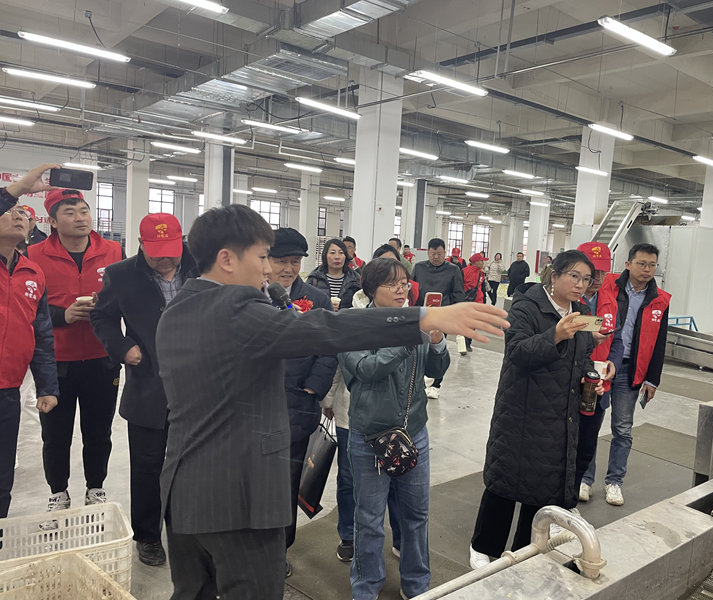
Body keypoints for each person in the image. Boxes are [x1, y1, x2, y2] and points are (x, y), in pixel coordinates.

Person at [154, 204, 508, 600]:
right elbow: (325, 327)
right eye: (262, 257)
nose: (269, 269)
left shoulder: (177, 309)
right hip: (240, 499)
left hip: (184, 493)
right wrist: (422, 318)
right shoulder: (235, 310)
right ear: (227, 259)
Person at [469, 250, 613, 569]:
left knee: (542, 484)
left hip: (560, 413)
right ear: (554, 275)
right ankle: (483, 546)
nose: (580, 284)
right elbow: (518, 351)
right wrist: (556, 335)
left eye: (586, 279)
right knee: (506, 481)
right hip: (522, 410)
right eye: (573, 276)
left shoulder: (581, 312)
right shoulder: (526, 306)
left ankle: (527, 549)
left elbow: (582, 357)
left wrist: (596, 375)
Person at [339, 258, 450, 600]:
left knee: (416, 514)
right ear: (371, 289)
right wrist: (407, 339)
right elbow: (367, 369)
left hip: (413, 431)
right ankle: (366, 587)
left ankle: (417, 585)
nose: (402, 290)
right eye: (392, 284)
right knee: (369, 519)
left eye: (404, 283)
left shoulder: (415, 319)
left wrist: (437, 341)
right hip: (370, 439)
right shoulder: (352, 324)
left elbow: (436, 369)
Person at [90, 213, 197, 566]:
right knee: (148, 466)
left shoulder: (201, 267)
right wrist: (122, 347)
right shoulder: (121, 275)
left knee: (194, 465)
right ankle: (148, 536)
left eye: (171, 252)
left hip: (199, 388)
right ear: (140, 244)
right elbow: (101, 316)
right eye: (156, 253)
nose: (165, 260)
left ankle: (188, 530)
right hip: (149, 386)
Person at [28, 188, 123, 513]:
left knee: (99, 432)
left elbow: (126, 299)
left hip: (102, 358)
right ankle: (58, 493)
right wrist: (63, 316)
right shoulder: (34, 255)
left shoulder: (113, 251)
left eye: (84, 210)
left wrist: (106, 306)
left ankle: (95, 488)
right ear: (53, 221)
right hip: (56, 362)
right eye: (69, 212)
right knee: (55, 435)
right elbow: (29, 307)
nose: (80, 217)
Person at [266, 227, 337, 573]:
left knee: (287, 482)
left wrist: (312, 388)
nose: (288, 269)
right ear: (266, 260)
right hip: (253, 407)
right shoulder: (249, 295)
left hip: (296, 405)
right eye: (281, 261)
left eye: (294, 262)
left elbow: (328, 347)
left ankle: (280, 549)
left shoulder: (316, 299)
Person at [580, 243, 671, 507]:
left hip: (631, 370)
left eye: (652, 265)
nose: (647, 269)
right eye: (641, 263)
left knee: (622, 428)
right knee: (591, 423)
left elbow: (660, 342)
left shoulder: (660, 300)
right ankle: (585, 479)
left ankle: (614, 482)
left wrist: (652, 379)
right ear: (628, 264)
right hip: (600, 364)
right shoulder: (609, 286)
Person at [0, 166, 59, 519]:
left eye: (22, 212)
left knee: (2, 472)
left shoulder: (32, 271)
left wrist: (47, 386)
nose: (19, 215)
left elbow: (42, 334)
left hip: (8, 389)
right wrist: (17, 189)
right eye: (9, 211)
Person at [574, 242, 613, 504]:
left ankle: (584, 480)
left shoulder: (612, 299)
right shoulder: (568, 300)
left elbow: (619, 336)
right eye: (592, 272)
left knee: (590, 435)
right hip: (571, 379)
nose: (598, 278)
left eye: (602, 272)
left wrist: (614, 363)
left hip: (599, 381)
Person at [411, 238, 466, 399]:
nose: (436, 257)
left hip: (443, 316)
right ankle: (419, 382)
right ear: (428, 253)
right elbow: (412, 291)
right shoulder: (419, 268)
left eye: (440, 254)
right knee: (419, 349)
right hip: (421, 315)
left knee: (438, 350)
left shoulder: (453, 270)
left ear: (445, 253)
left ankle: (436, 384)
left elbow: (458, 293)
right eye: (433, 253)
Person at [306, 238, 361, 310]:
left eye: (341, 253)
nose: (337, 257)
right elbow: (305, 304)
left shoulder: (355, 279)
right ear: (325, 255)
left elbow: (361, 306)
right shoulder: (314, 278)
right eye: (332, 253)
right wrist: (326, 307)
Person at [461, 253, 488, 353]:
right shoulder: (464, 271)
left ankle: (468, 341)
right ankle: (465, 341)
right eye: (481, 261)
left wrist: (484, 301)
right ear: (475, 262)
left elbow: (483, 288)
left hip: (478, 302)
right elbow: (459, 286)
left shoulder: (481, 273)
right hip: (467, 301)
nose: (483, 263)